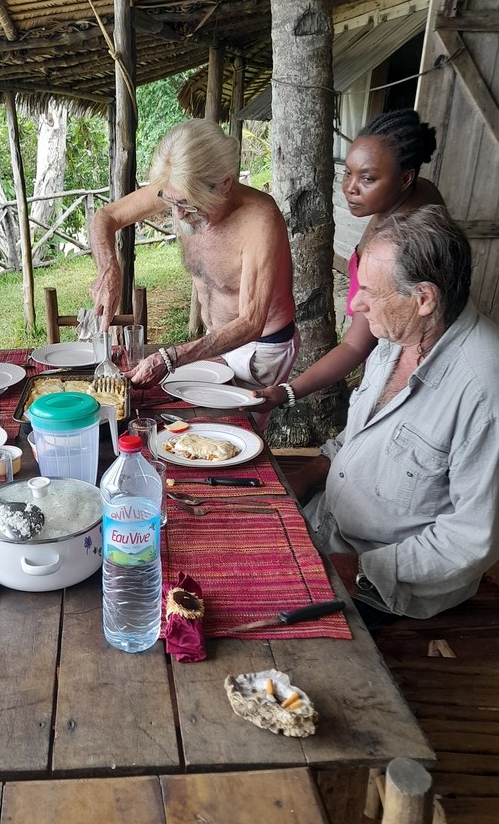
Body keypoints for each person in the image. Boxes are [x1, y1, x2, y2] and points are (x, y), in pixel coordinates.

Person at [290, 206, 499, 625]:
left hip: (382, 583)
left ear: (423, 298)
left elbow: (470, 540)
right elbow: (360, 436)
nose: (355, 303)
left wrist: (359, 570)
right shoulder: (397, 333)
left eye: (368, 289)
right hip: (323, 528)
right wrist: (310, 472)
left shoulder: (483, 388)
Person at [89, 119, 297, 429]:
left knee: (228, 434)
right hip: (214, 341)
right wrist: (109, 268)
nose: (177, 214)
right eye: (169, 201)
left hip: (259, 350)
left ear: (224, 184)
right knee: (183, 425)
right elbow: (106, 216)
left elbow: (252, 322)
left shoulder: (260, 220)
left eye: (186, 204)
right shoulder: (176, 188)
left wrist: (171, 356)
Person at [253, 109, 444, 412]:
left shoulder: (406, 241)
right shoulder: (409, 196)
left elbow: (357, 344)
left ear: (406, 178)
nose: (351, 188)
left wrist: (289, 391)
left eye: (368, 178)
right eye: (348, 173)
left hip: (404, 379)